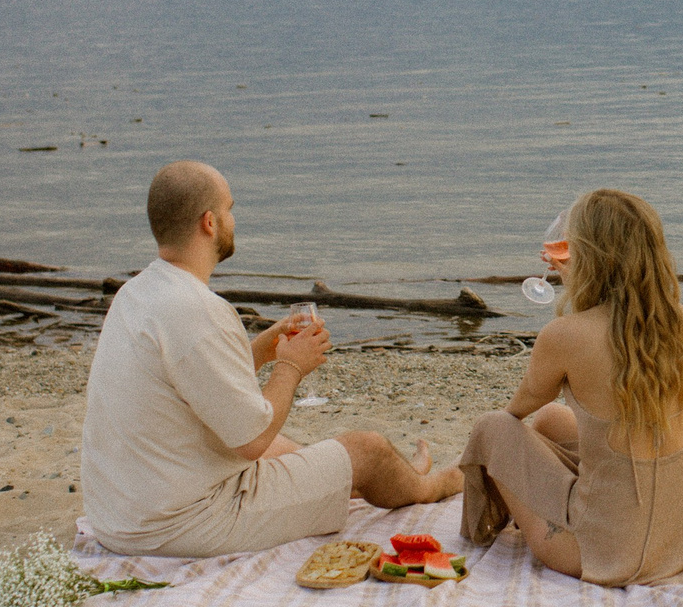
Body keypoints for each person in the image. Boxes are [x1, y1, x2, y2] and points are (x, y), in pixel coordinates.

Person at [81, 160, 459, 558]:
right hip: (182, 524)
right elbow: (252, 439)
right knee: (366, 450)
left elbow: (198, 380)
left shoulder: (137, 293)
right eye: (230, 209)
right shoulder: (198, 309)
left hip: (121, 515)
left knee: (291, 449)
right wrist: (291, 366)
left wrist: (264, 347)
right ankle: (432, 485)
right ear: (209, 223)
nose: (233, 219)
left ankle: (377, 480)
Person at [458, 189, 683, 585]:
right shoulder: (676, 321)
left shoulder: (564, 336)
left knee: (491, 429)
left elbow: (516, 412)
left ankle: (481, 530)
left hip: (613, 551)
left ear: (588, 258)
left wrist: (565, 276)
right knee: (552, 420)